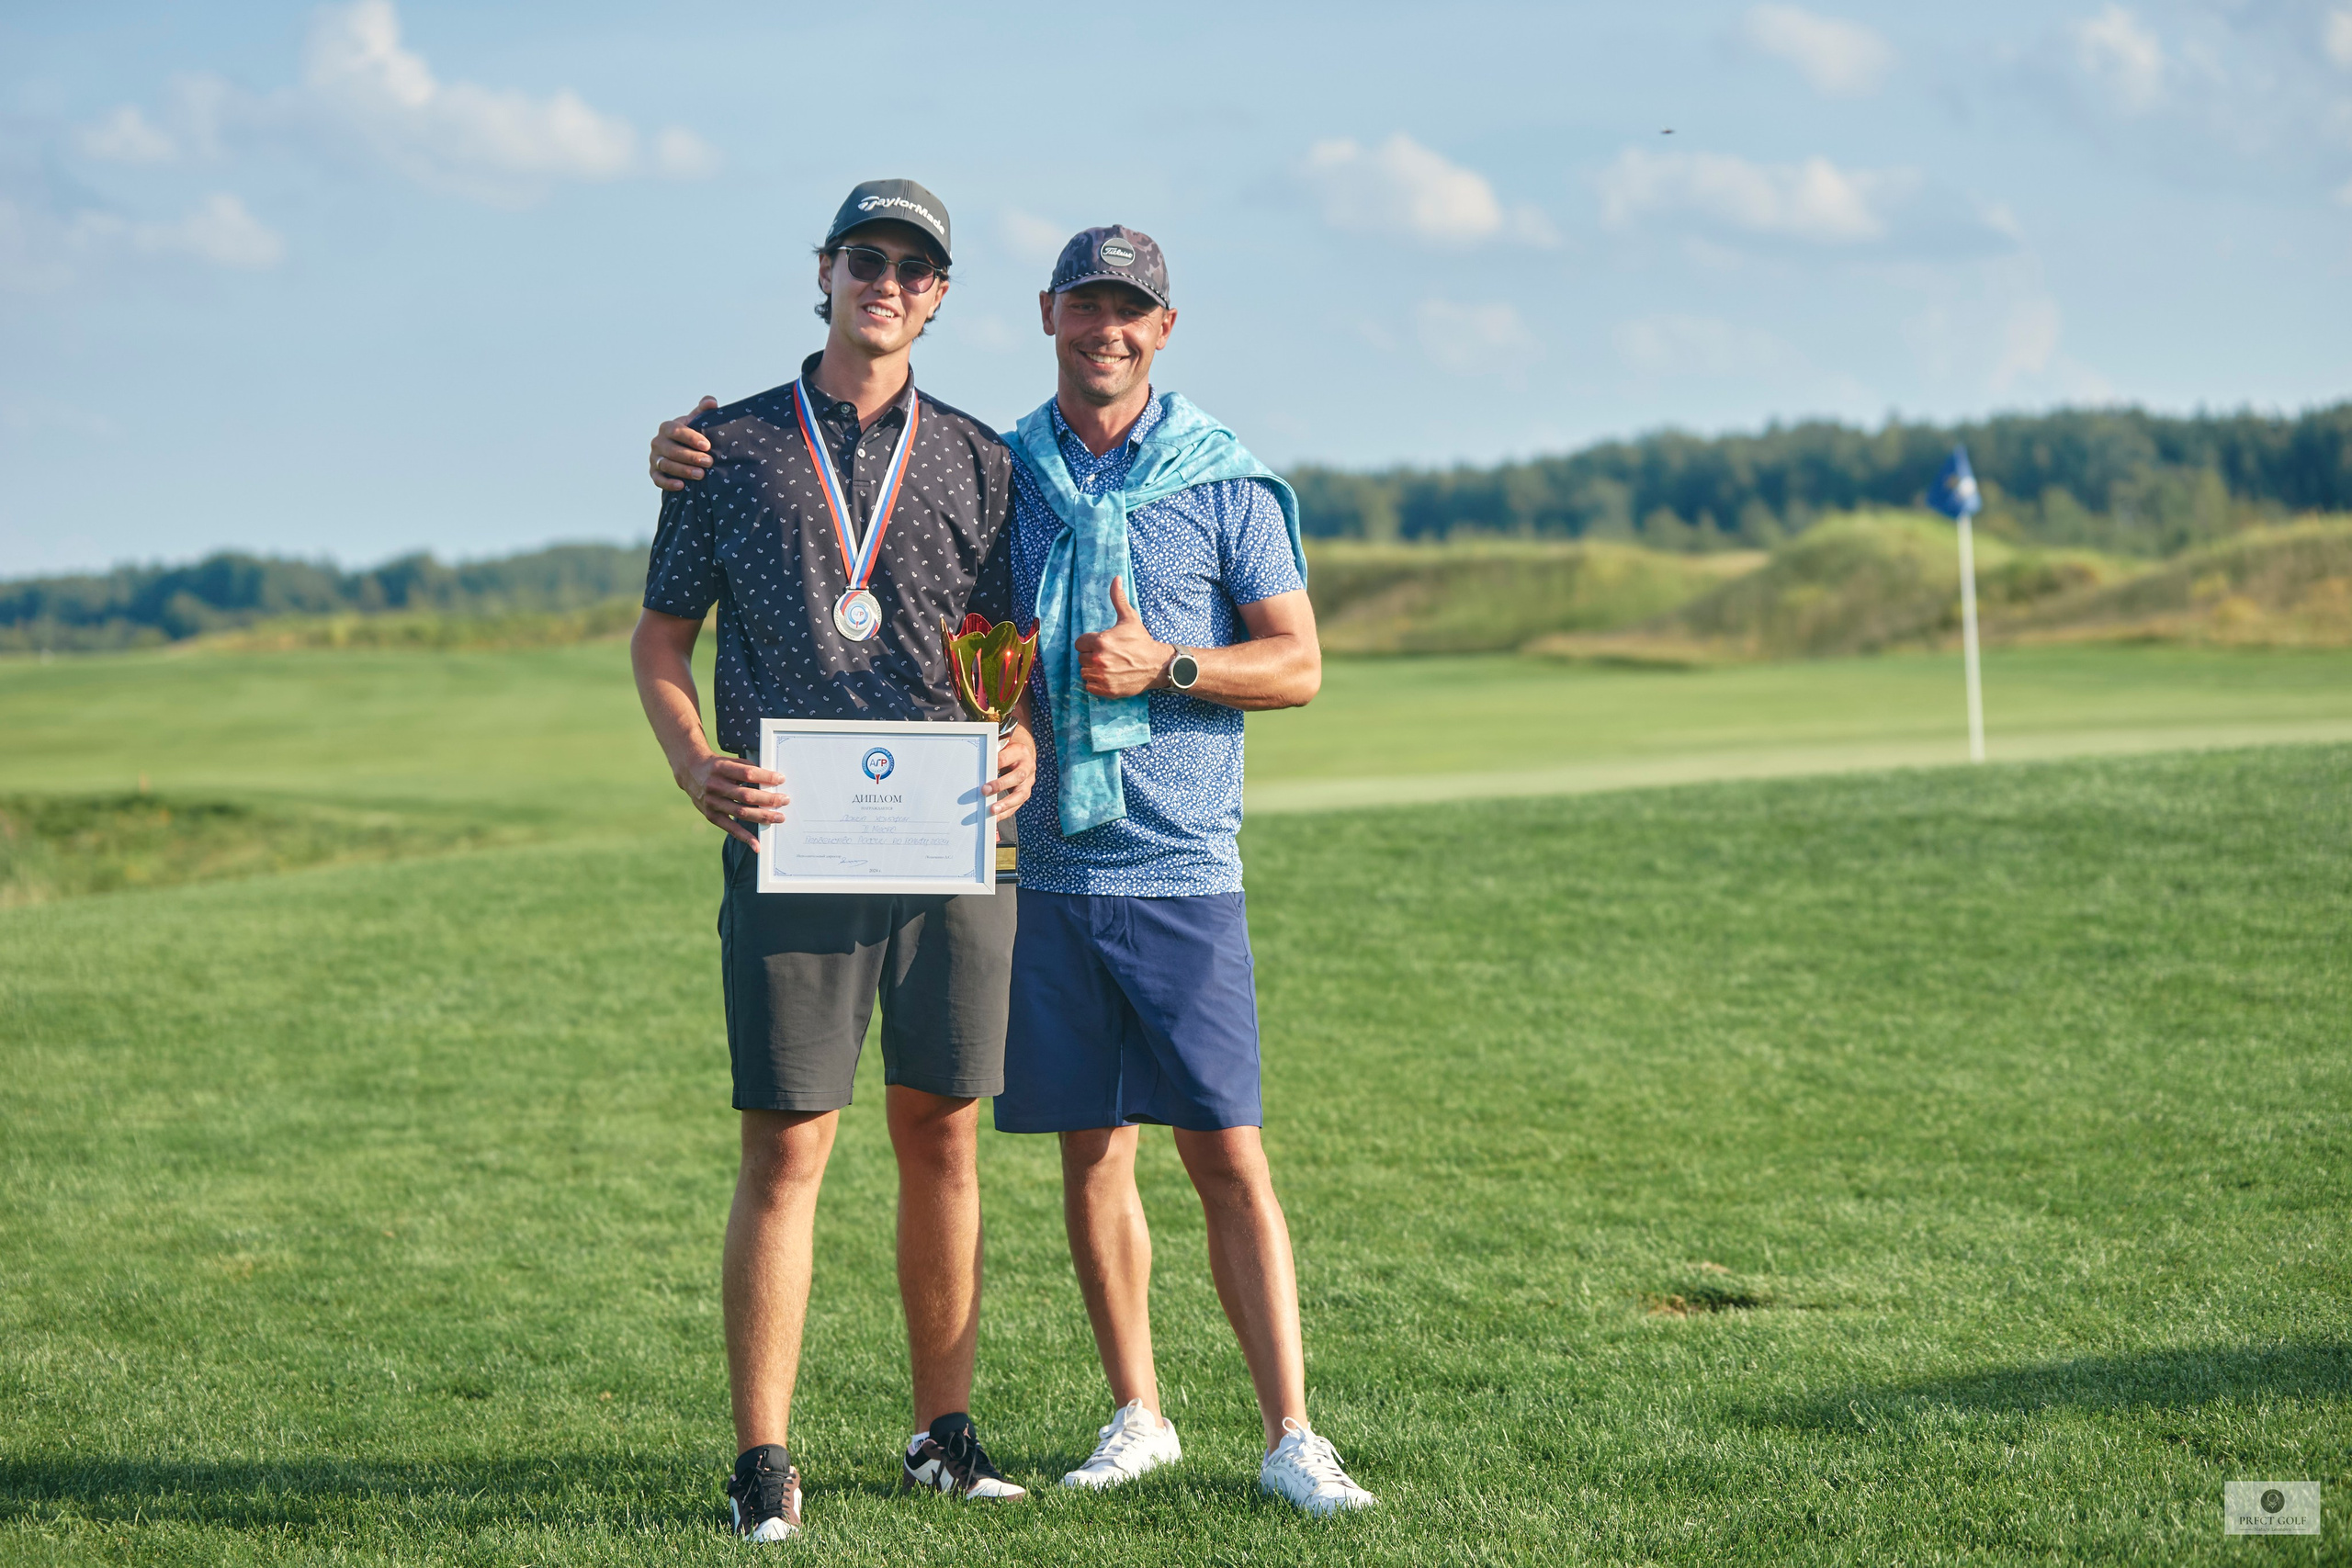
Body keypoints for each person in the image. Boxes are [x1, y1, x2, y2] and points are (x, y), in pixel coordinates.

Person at [649, 221, 1377, 1517]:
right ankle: (1064, 1424)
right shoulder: (883, 458)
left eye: (1130, 309)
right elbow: (695, 639)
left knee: (1129, 1148)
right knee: (935, 1151)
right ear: (1045, 315)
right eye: (1085, 306)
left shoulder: (1120, 474)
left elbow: (1255, 662)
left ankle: (1227, 1434)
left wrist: (1115, 696)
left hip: (1087, 856)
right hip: (919, 851)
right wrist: (695, 741)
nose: (1106, 328)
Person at [630, 177, 1037, 1545]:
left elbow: (991, 637)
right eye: (868, 258)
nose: (889, 282)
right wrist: (696, 766)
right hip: (791, 839)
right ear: (825, 272)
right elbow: (660, 640)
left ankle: (943, 1434)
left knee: (944, 1136)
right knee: (789, 1143)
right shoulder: (724, 447)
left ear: (937, 297)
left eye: (915, 269)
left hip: (950, 841)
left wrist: (1014, 733)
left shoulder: (981, 457)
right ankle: (762, 1458)